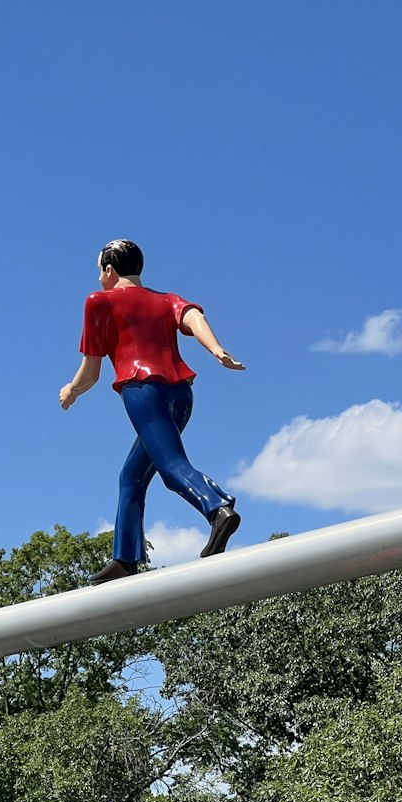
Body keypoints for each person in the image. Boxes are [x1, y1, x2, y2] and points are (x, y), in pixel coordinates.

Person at [60, 239, 245, 585]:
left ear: (109, 270)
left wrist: (71, 389)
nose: (99, 277)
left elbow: (92, 371)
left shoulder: (99, 301)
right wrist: (216, 349)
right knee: (131, 477)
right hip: (181, 394)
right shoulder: (166, 299)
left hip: (143, 391)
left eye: (99, 269)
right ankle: (125, 557)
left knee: (172, 467)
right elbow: (192, 316)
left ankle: (217, 508)